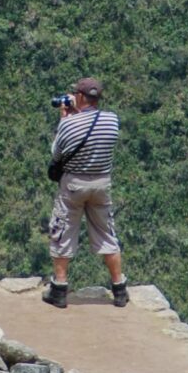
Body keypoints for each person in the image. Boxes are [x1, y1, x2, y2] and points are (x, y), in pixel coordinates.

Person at [42, 77, 127, 308]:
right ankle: (119, 289)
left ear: (79, 96)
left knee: (63, 230)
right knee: (106, 232)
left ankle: (59, 290)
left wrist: (66, 118)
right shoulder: (112, 120)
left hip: (74, 186)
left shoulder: (69, 124)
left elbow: (57, 155)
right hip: (101, 184)